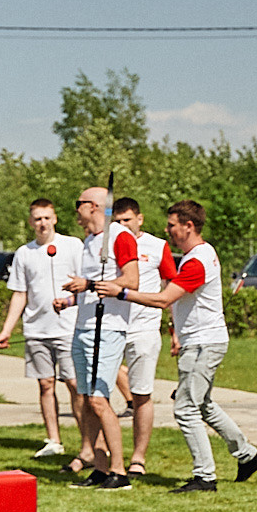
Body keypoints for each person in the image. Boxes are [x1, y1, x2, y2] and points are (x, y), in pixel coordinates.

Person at [95, 199, 257, 495]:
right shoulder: (197, 255)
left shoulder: (197, 261)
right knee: (203, 404)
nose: (167, 230)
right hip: (199, 341)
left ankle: (205, 477)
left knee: (186, 408)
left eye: (172, 225)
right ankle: (247, 455)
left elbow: (164, 299)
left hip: (203, 343)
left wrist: (121, 293)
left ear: (189, 226)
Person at [0, 200, 82, 461]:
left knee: (74, 384)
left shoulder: (73, 245)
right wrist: (7, 330)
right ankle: (54, 440)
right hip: (36, 330)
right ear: (31, 222)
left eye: (46, 218)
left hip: (68, 327)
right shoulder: (24, 253)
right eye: (37, 219)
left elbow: (85, 287)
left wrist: (69, 301)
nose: (42, 223)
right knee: (45, 384)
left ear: (55, 219)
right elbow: (20, 294)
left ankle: (88, 440)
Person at [62, 185, 136, 490]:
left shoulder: (119, 236)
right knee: (87, 399)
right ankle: (100, 468)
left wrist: (89, 284)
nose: (75, 210)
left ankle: (120, 471)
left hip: (108, 328)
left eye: (78, 204)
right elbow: (92, 287)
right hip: (84, 326)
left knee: (99, 399)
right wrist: (71, 299)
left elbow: (131, 280)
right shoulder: (89, 241)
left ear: (93, 206)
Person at [109, 198, 169, 478]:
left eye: (127, 220)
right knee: (98, 392)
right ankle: (102, 455)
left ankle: (138, 458)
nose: (122, 226)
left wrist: (174, 330)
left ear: (140, 219)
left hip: (144, 327)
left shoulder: (157, 246)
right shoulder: (106, 242)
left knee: (142, 393)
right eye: (118, 221)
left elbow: (170, 287)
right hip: (112, 324)